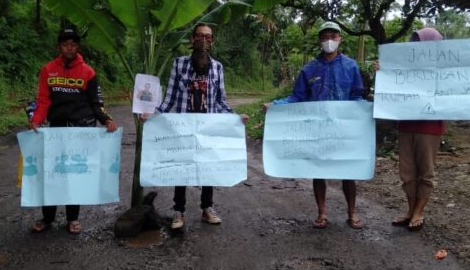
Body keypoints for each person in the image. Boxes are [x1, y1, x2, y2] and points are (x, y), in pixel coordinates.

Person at [382, 28, 470, 232]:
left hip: (430, 127)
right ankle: (410, 210)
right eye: (415, 41)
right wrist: (382, 70)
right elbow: (392, 81)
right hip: (406, 125)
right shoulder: (406, 65)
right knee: (407, 173)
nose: (418, 46)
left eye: (422, 41)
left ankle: (419, 211)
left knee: (426, 172)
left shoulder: (447, 67)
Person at [143, 23, 247, 230]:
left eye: (208, 37)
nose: (203, 39)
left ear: (212, 41)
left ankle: (207, 208)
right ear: (192, 39)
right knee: (182, 168)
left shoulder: (217, 68)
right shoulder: (179, 64)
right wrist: (153, 116)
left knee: (207, 168)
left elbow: (221, 100)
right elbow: (170, 98)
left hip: (208, 127)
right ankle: (178, 211)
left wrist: (235, 117)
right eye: (199, 36)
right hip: (183, 126)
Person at [265, 21, 365, 230]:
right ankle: (322, 213)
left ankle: (352, 212)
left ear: (340, 39)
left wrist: (370, 109)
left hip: (343, 128)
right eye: (325, 36)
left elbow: (357, 95)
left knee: (349, 170)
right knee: (318, 170)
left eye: (333, 36)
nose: (329, 40)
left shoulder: (351, 66)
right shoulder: (309, 69)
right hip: (317, 128)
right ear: (319, 40)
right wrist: (275, 105)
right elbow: (297, 98)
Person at [29, 27, 118, 234]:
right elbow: (43, 100)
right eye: (65, 44)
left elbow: (96, 102)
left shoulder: (88, 72)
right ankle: (47, 218)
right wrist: (36, 120)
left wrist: (106, 120)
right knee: (52, 173)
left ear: (77, 46)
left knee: (74, 174)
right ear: (59, 46)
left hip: (81, 129)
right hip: (56, 130)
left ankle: (73, 219)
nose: (69, 48)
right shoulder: (48, 70)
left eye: (73, 44)